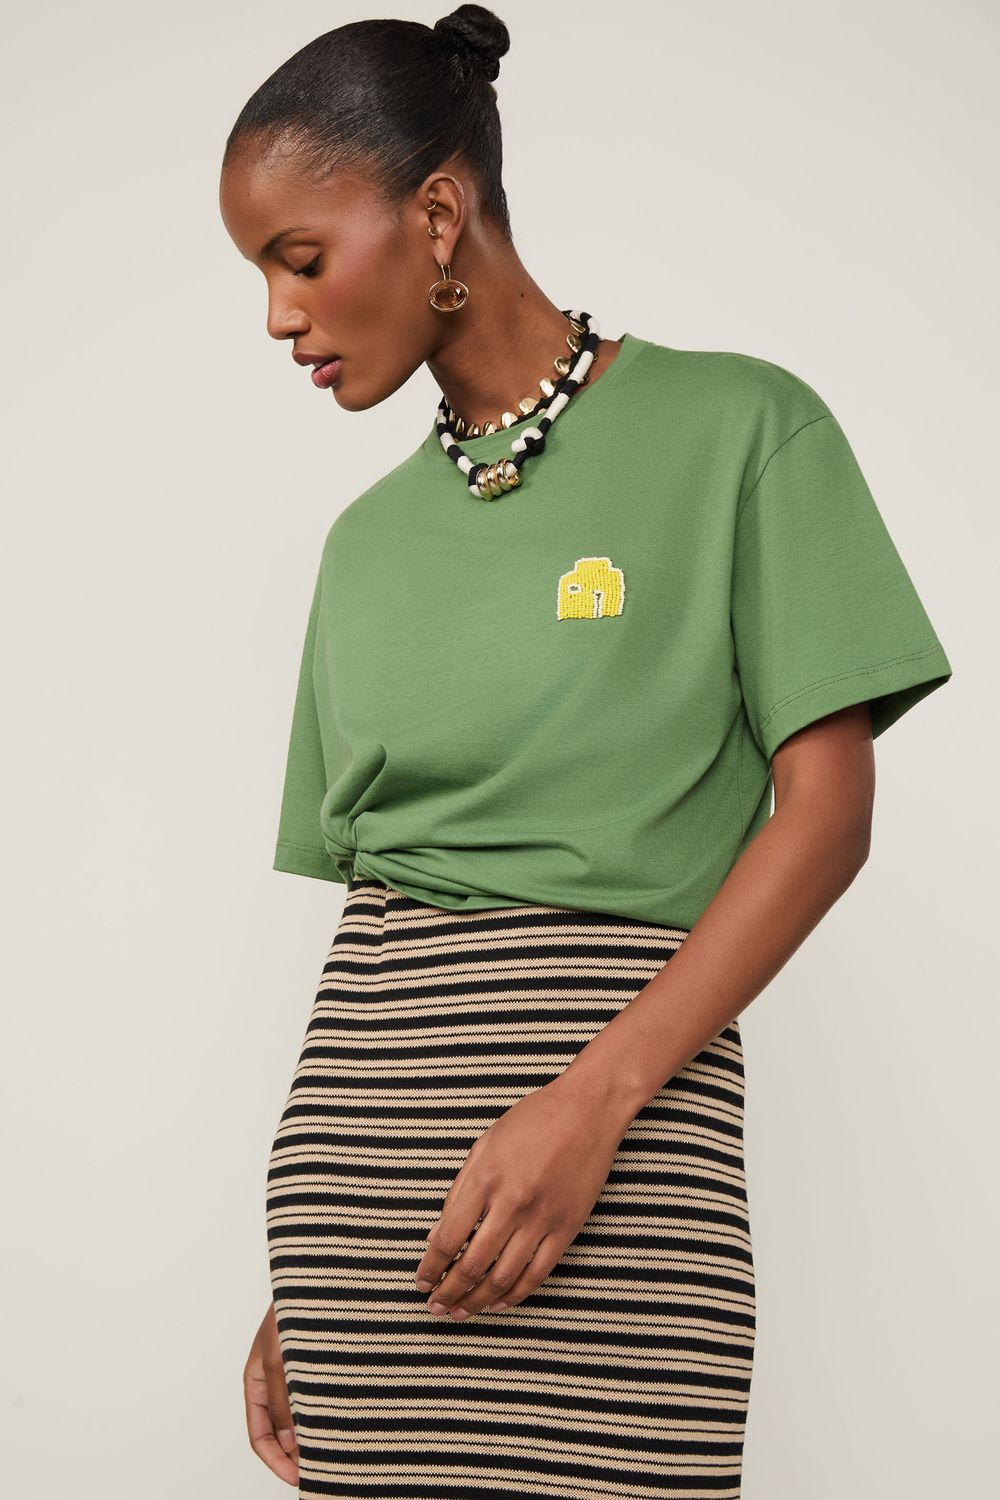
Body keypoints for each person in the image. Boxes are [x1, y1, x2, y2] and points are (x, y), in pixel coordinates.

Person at [219, 7, 953, 1495]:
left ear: (438, 214)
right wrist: (308, 1275)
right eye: (262, 278)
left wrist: (593, 1100)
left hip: (618, 1186)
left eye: (300, 259)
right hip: (363, 1240)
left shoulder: (742, 429)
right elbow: (378, 921)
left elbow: (826, 813)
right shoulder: (365, 547)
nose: (279, 317)